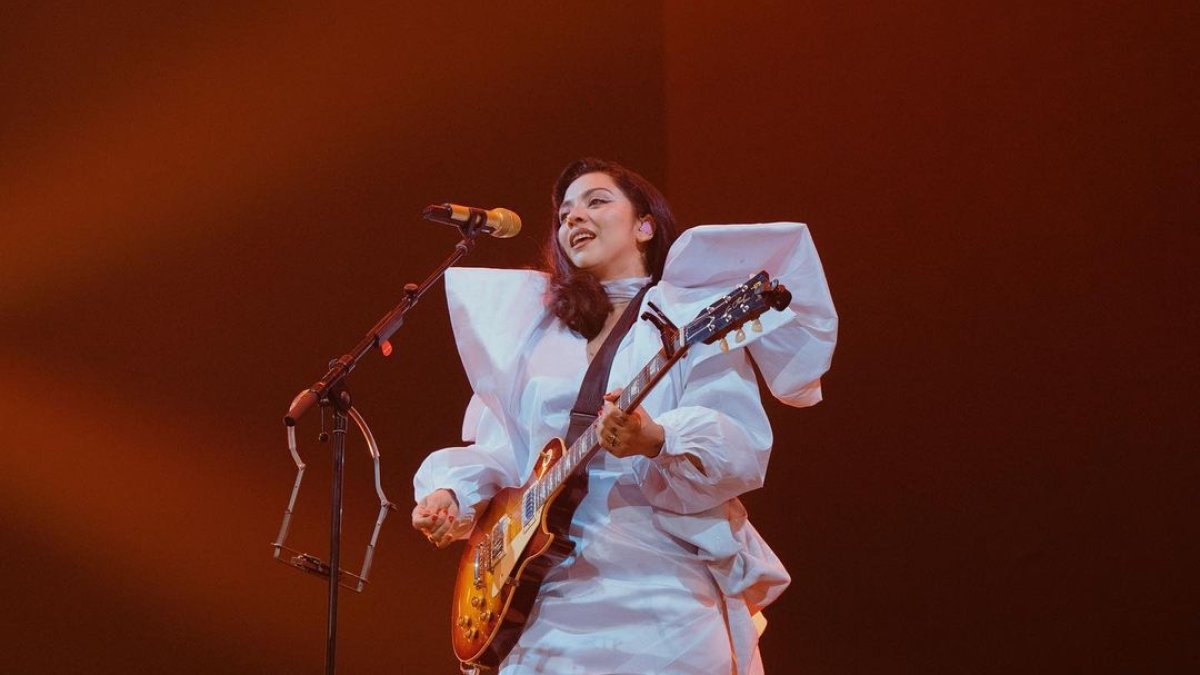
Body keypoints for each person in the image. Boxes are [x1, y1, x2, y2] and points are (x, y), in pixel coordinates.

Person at [412, 157, 837, 674]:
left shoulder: (686, 323)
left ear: (645, 226)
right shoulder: (536, 332)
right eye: (565, 213)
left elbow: (741, 448)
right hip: (543, 601)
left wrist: (657, 437)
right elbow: (502, 448)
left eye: (596, 202)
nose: (573, 218)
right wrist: (451, 492)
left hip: (661, 593)